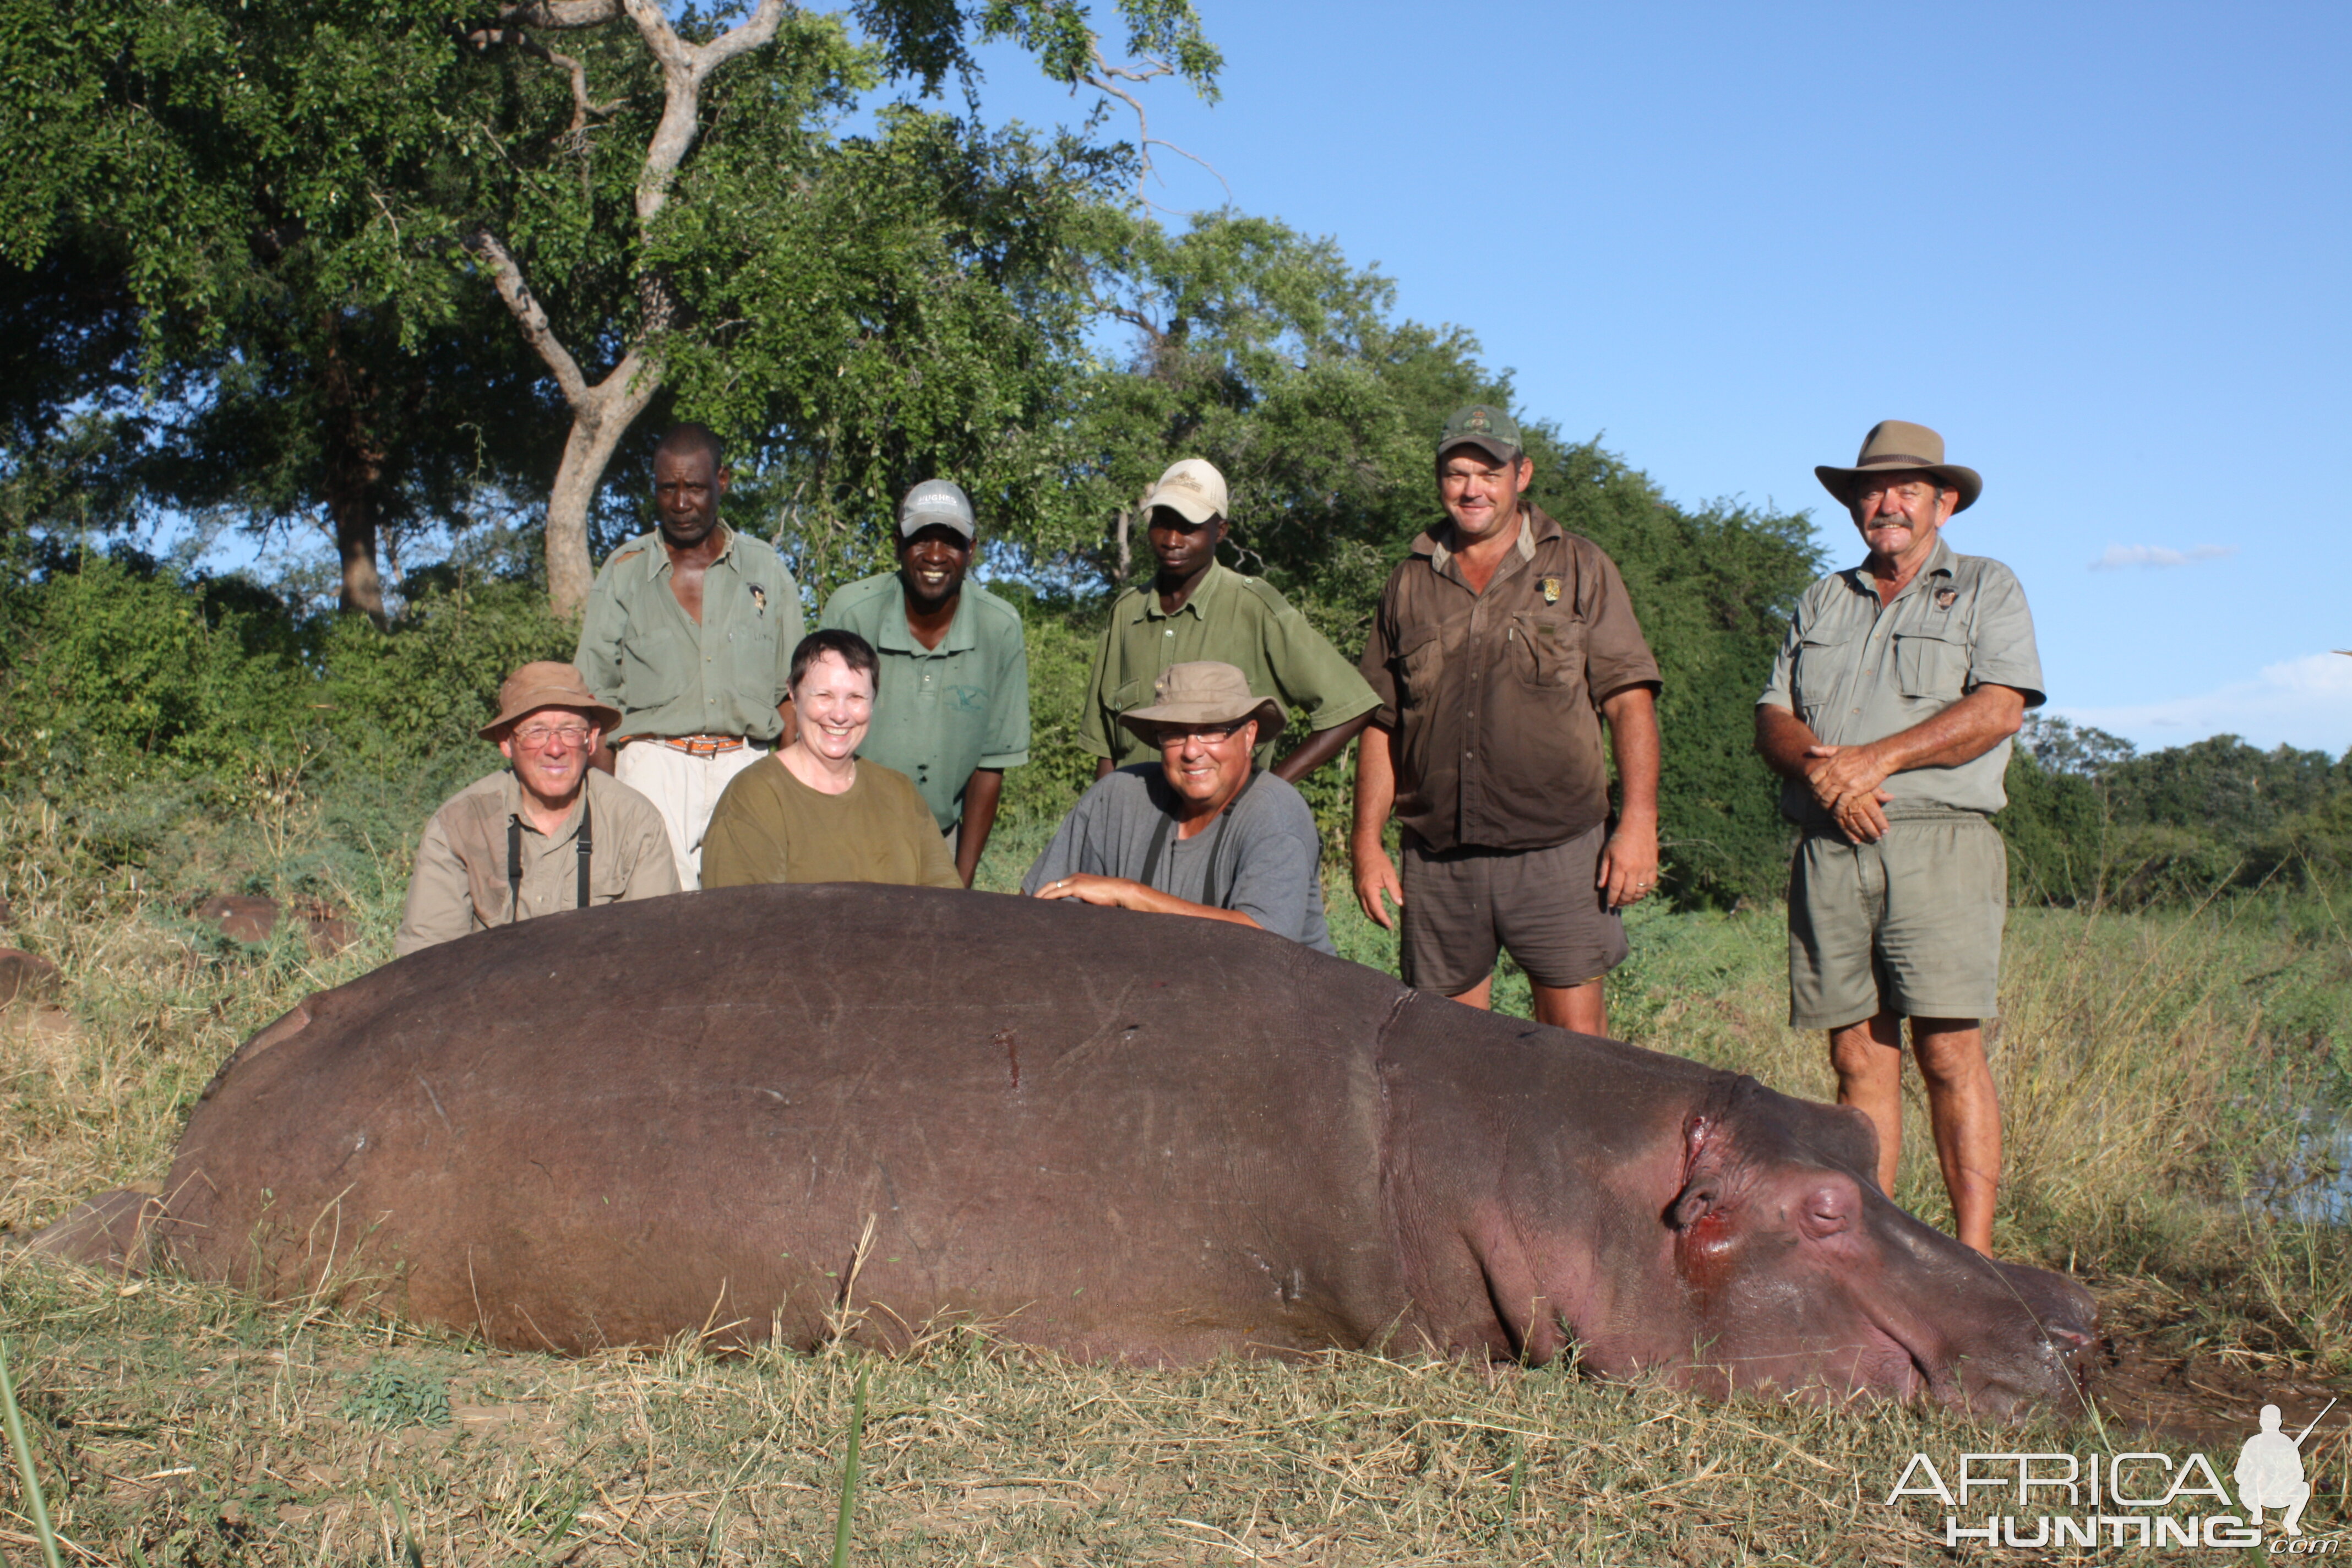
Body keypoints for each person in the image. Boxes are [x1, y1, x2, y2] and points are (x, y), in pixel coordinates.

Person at [1755, 420, 2043, 1257]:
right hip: (1831, 846)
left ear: (1943, 503)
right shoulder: (1823, 597)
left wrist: (1871, 763)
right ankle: (1878, 1260)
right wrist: (1823, 776)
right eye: (1871, 491)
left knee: (1949, 1050)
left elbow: (1999, 709)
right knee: (1857, 1057)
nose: (1886, 505)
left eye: (1906, 490)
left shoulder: (1988, 586)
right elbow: (1774, 714)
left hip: (1938, 841)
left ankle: (1975, 1260)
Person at [1351, 404, 1662, 1036]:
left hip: (1560, 850)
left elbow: (1630, 699)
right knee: (1449, 1057)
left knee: (1576, 1051)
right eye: (1457, 473)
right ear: (1439, 480)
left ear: (1522, 475)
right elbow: (1381, 723)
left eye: (1488, 472)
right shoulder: (1407, 582)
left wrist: (1638, 822)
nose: (1472, 489)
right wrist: (1366, 843)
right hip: (1440, 860)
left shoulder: (1579, 566)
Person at [575, 422, 805, 889]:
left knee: (749, 913)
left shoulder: (766, 570)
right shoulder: (624, 572)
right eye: (668, 489)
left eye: (696, 488)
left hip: (749, 762)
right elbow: (592, 697)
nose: (681, 504)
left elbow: (794, 693)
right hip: (653, 766)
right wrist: (612, 796)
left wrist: (790, 784)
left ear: (721, 481)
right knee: (657, 920)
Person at [1079, 458, 1379, 782]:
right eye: (1162, 523)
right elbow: (1106, 749)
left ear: (1220, 531)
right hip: (1135, 820)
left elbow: (1350, 707)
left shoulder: (1255, 608)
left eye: (1189, 527)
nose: (1172, 540)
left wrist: (1266, 793)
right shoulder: (1126, 613)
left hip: (1223, 826)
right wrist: (1105, 818)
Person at [1025, 661, 1335, 953]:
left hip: (1281, 1000)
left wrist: (1128, 894)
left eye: (1212, 729)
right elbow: (1032, 907)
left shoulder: (1275, 814)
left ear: (1249, 735)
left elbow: (1265, 945)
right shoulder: (1118, 796)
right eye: (1174, 733)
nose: (1191, 751)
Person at [818, 479, 1030, 886]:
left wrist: (960, 881)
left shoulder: (999, 627)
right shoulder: (852, 613)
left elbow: (991, 765)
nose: (935, 556)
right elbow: (818, 740)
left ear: (972, 548)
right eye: (921, 540)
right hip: (848, 835)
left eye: (951, 541)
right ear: (898, 543)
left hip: (939, 840)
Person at [396, 662, 678, 955]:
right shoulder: (459, 825)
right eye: (536, 731)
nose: (554, 749)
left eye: (570, 730)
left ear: (591, 739)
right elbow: (426, 960)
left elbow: (656, 950)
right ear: (507, 742)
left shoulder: (635, 821)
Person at [699, 630, 961, 890]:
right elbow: (739, 919)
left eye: (856, 698)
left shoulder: (900, 792)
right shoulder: (754, 795)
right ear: (793, 693)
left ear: (873, 701)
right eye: (824, 696)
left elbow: (945, 900)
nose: (840, 715)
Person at [2235, 1404, 2317, 1536]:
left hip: (2280, 1494)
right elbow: (2241, 1473)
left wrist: (2282, 1475)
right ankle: (2257, 1513)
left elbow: (2299, 1474)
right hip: (2257, 1495)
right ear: (2279, 1422)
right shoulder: (2254, 1442)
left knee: (2304, 1487)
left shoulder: (2286, 1443)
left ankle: (2291, 1522)